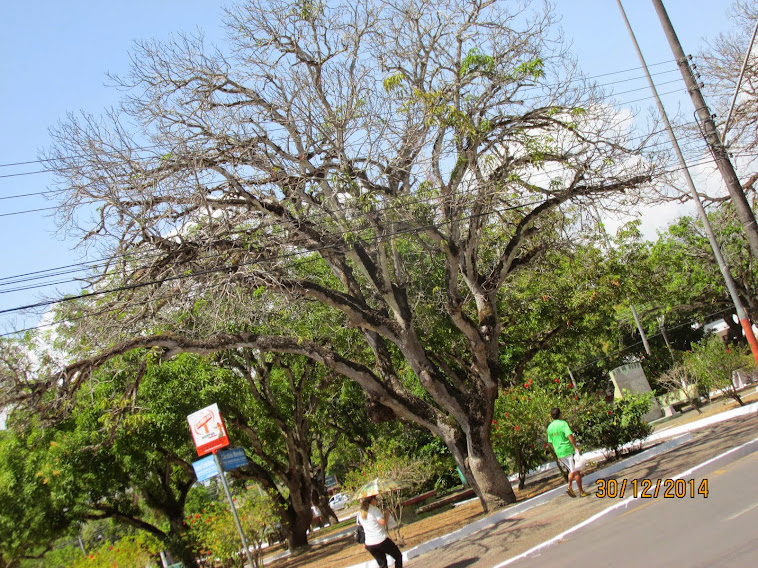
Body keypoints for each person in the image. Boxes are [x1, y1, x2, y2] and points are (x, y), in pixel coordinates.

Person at [547, 407, 589, 498]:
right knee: (576, 471)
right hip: (568, 450)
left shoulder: (549, 427)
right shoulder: (563, 424)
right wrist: (575, 447)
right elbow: (569, 436)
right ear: (560, 414)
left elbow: (550, 442)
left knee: (571, 470)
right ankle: (579, 490)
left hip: (560, 453)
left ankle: (571, 487)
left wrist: (556, 453)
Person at [357, 495, 403, 568]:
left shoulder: (360, 513)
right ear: (372, 499)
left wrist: (364, 542)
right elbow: (383, 522)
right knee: (398, 556)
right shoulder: (374, 510)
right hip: (380, 540)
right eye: (376, 499)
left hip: (370, 544)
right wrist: (386, 514)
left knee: (383, 565)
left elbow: (360, 527)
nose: (377, 501)